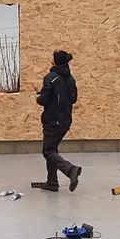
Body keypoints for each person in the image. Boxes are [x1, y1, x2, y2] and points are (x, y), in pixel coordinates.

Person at [34, 49, 81, 192]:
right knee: (52, 150)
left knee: (48, 151)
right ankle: (52, 182)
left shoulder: (51, 78)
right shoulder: (71, 79)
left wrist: (38, 96)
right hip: (65, 121)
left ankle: (70, 170)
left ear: (55, 61)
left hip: (53, 120)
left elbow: (43, 100)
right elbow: (73, 99)